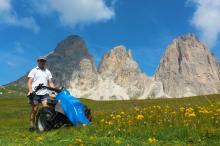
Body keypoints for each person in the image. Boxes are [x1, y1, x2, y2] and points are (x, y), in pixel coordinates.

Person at [27, 56, 55, 132]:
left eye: (43, 61)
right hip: (35, 93)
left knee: (46, 109)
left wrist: (54, 90)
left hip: (44, 93)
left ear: (45, 62)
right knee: (35, 109)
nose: (42, 62)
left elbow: (50, 82)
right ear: (38, 62)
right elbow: (29, 82)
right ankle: (31, 125)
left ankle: (44, 125)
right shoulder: (34, 70)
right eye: (40, 61)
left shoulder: (47, 71)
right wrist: (30, 90)